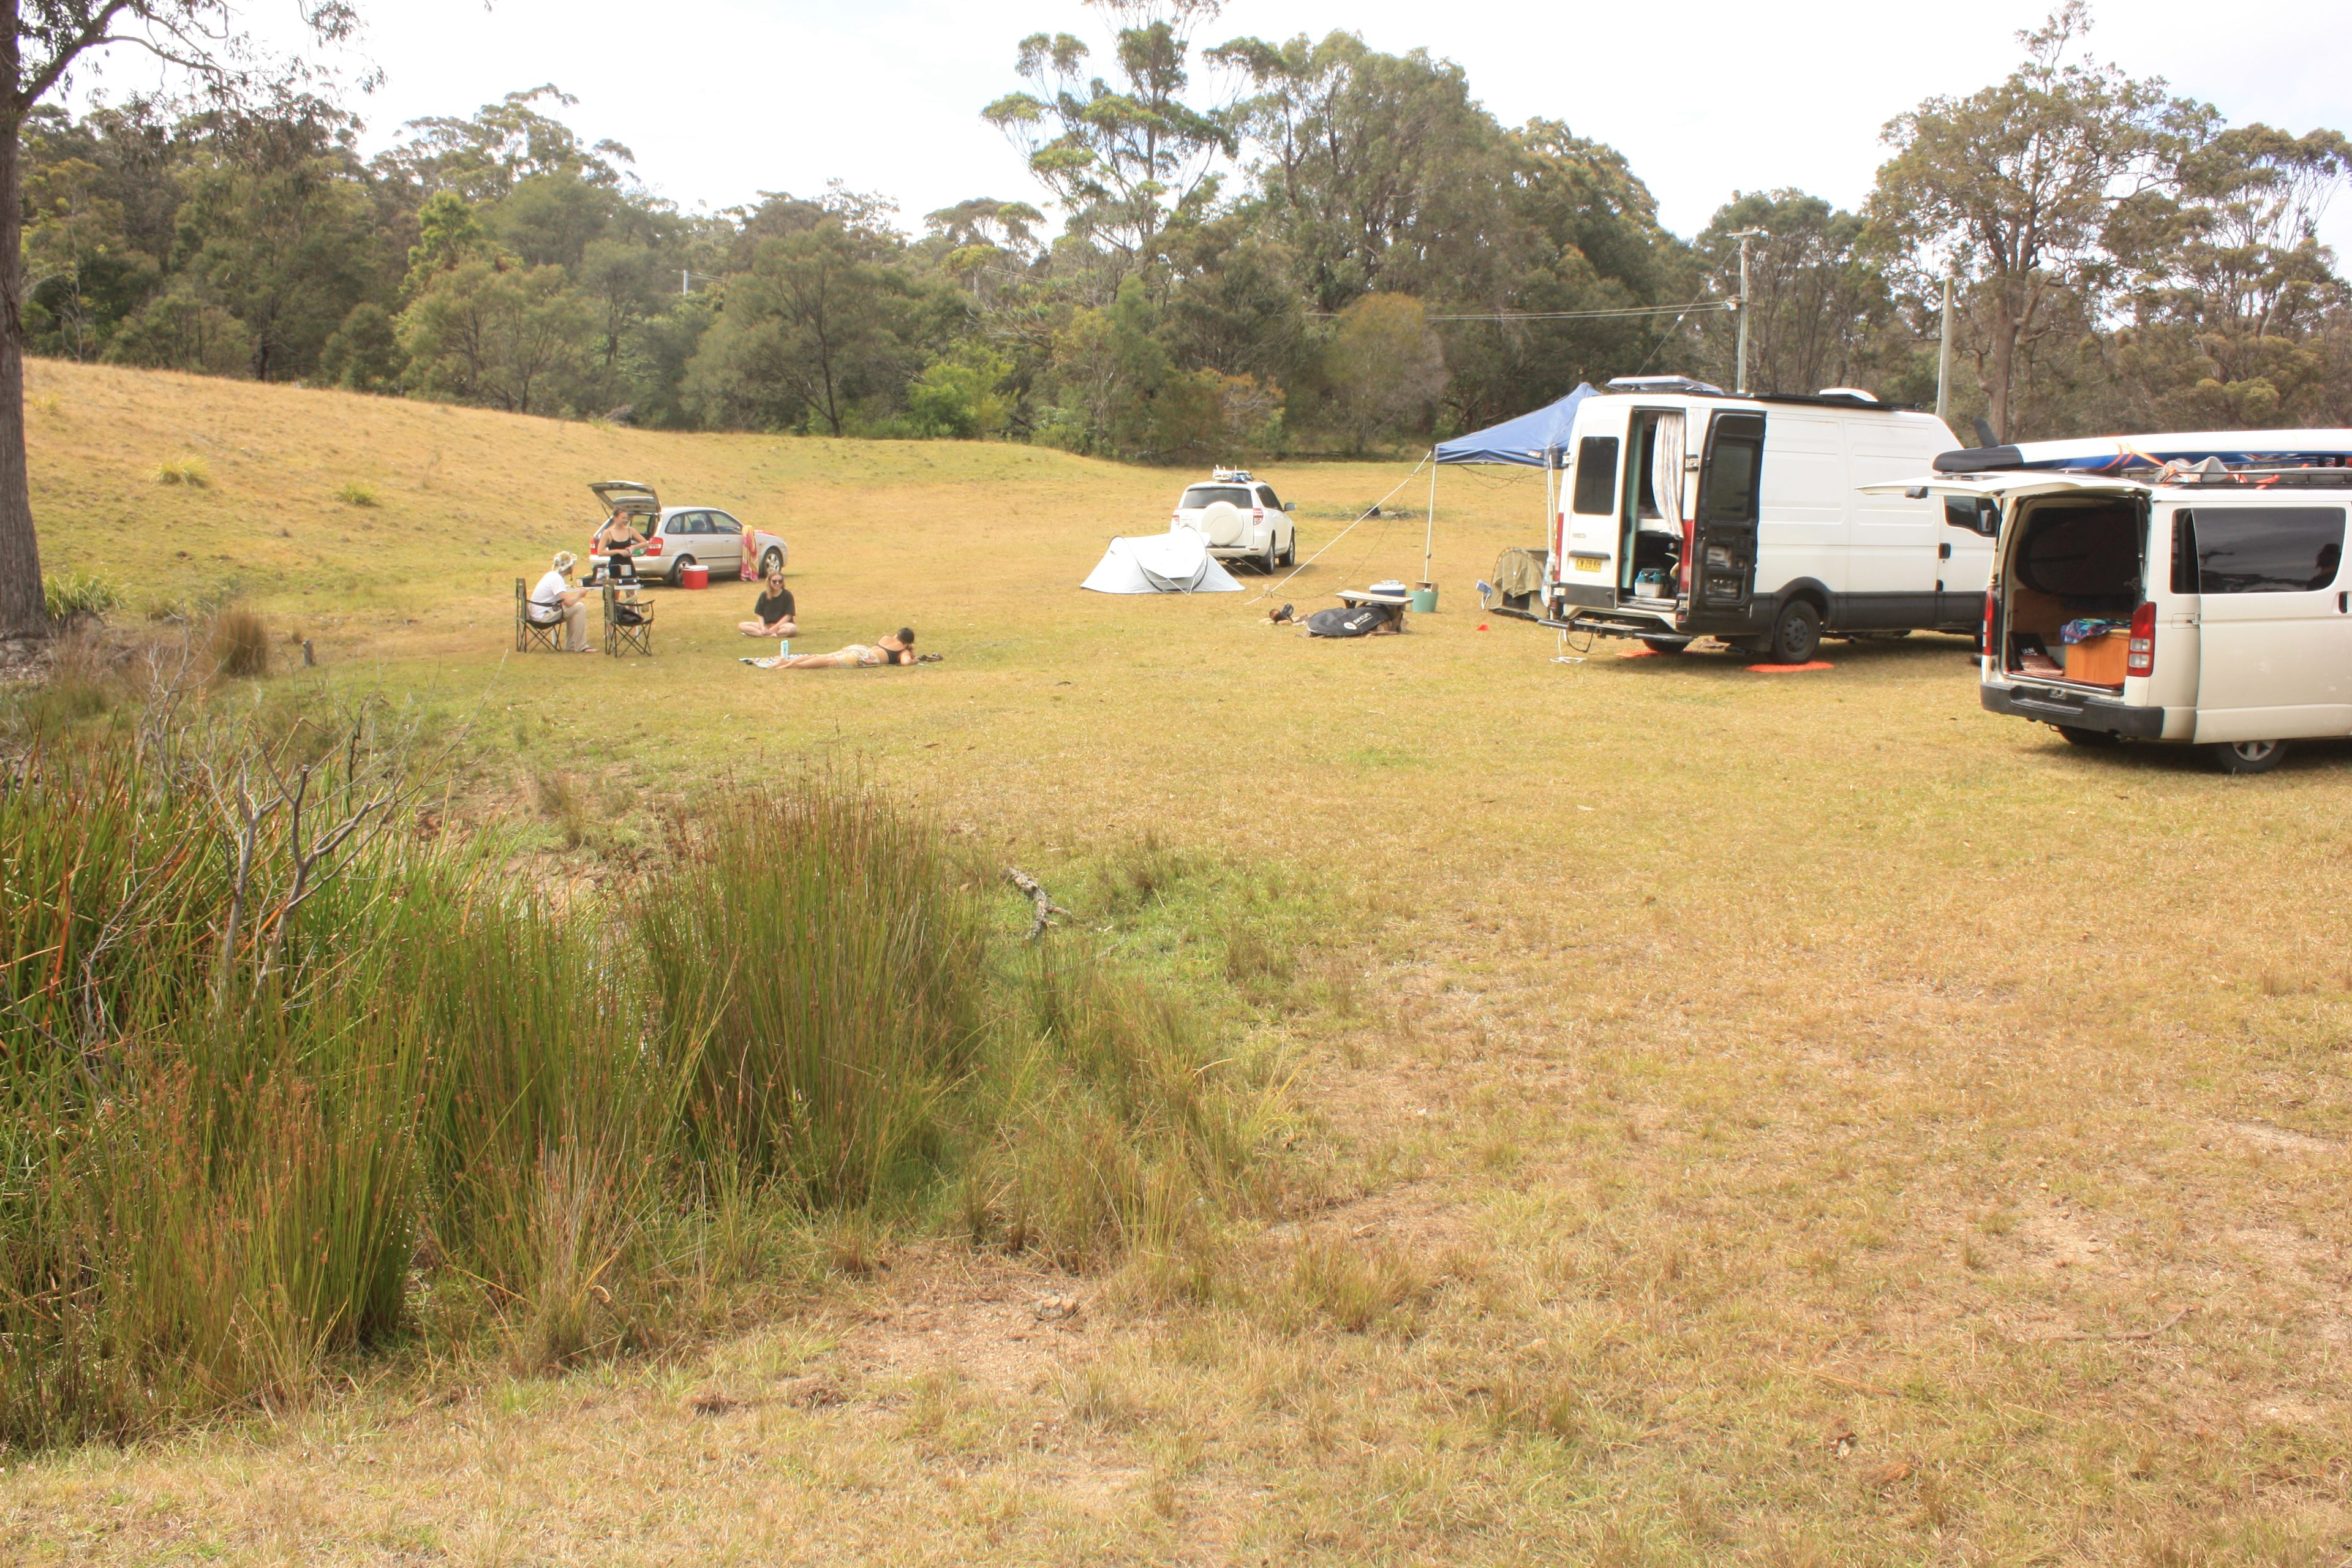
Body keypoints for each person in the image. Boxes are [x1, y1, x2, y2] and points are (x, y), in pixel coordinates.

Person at [742, 627, 925, 669]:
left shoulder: (886, 638)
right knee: (827, 662)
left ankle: (787, 660)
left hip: (859, 649)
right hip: (865, 658)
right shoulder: (904, 651)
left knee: (822, 654)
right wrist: (915, 657)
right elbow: (907, 663)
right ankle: (793, 666)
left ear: (897, 635)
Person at [530, 551, 595, 652]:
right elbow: (568, 603)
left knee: (574, 608)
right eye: (573, 564)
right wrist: (580, 595)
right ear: (568, 567)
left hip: (538, 614)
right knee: (579, 607)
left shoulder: (552, 575)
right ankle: (581, 646)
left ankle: (572, 645)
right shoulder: (557, 579)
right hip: (543, 617)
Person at [738, 571, 797, 638]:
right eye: (774, 581)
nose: (777, 583)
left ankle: (763, 634)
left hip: (782, 625)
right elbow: (760, 614)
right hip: (767, 625)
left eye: (780, 581)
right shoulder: (764, 595)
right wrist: (763, 627)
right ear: (769, 582)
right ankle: (767, 635)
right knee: (742, 626)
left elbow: (788, 616)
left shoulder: (787, 595)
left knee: (792, 629)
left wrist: (775, 628)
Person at [592, 509, 645, 582]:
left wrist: (634, 547)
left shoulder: (630, 530)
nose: (626, 520)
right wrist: (618, 551)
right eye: (623, 518)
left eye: (627, 518)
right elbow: (600, 553)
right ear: (615, 518)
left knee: (631, 588)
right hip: (615, 565)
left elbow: (645, 543)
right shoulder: (608, 533)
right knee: (615, 590)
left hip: (628, 564)